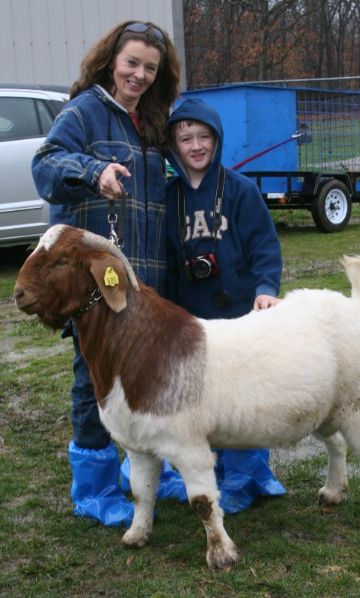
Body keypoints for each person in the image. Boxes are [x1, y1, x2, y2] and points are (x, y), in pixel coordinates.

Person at [31, 20, 181, 527]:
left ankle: (151, 465)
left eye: (150, 68)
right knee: (90, 376)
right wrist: (93, 172)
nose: (138, 75)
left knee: (150, 374)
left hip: (143, 281)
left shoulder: (156, 124)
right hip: (92, 285)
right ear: (111, 60)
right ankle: (93, 486)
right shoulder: (85, 112)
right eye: (131, 63)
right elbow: (45, 165)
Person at [163, 97, 286, 513]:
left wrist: (265, 287)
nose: (196, 146)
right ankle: (206, 471)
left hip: (237, 314)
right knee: (200, 398)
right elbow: (163, 261)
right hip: (191, 320)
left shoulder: (240, 190)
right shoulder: (169, 198)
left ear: (216, 140)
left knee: (243, 398)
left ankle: (249, 473)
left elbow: (264, 247)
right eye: (186, 138)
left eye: (203, 137)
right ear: (174, 145)